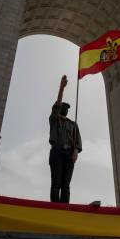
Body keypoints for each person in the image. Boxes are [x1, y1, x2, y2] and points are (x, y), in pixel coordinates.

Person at [48, 75, 82, 203]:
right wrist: (61, 89)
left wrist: (75, 152)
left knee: (66, 185)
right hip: (57, 151)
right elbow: (56, 106)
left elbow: (77, 141)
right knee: (56, 183)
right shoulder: (54, 120)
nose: (65, 109)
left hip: (69, 154)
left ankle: (65, 210)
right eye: (63, 106)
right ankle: (55, 209)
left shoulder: (73, 124)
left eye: (67, 108)